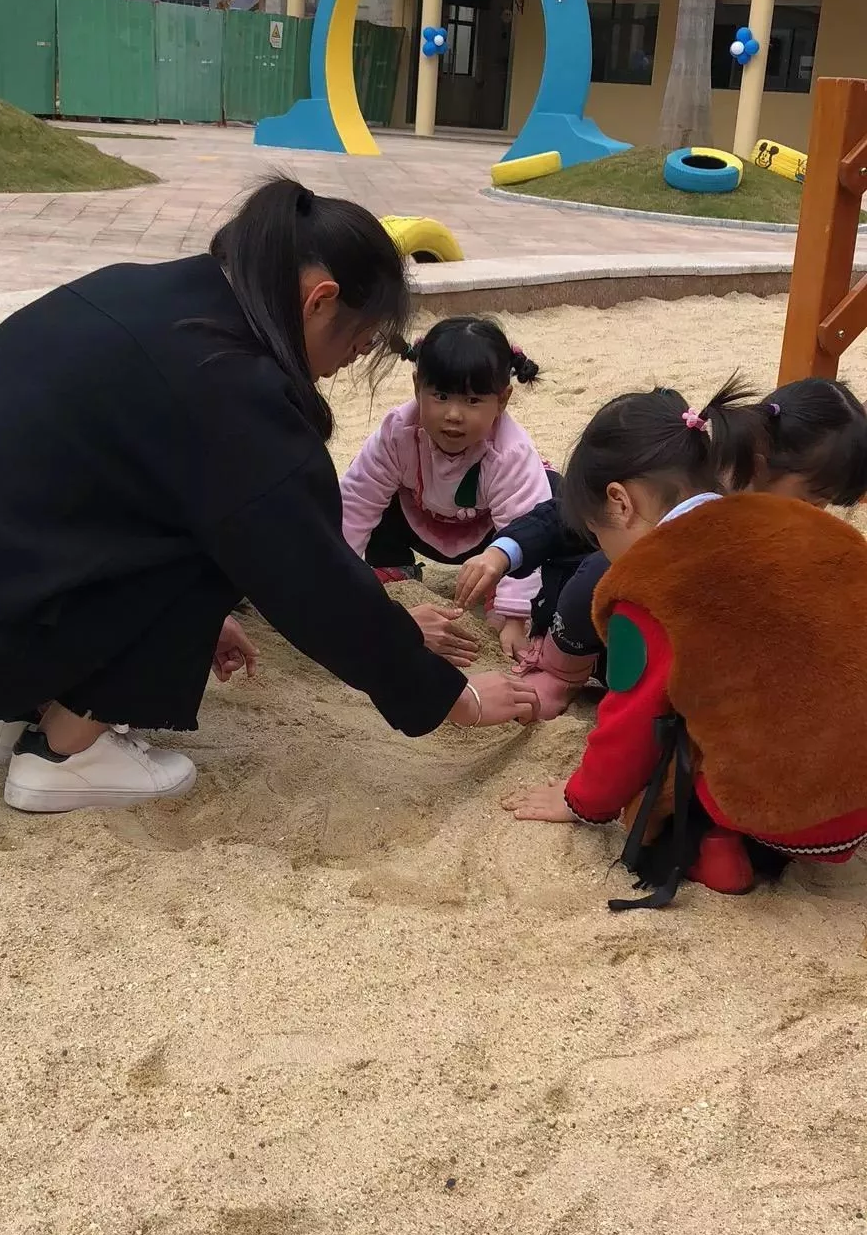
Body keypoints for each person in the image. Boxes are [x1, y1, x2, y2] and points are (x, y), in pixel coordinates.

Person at [0, 178, 528, 814]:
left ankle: (33, 710)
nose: (350, 361)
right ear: (319, 301)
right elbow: (312, 582)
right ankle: (63, 755)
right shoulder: (231, 387)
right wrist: (451, 696)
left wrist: (192, 623)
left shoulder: (150, 292)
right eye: (359, 341)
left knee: (192, 514)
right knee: (222, 535)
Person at [505, 382, 867, 906]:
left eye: (598, 536)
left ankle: (709, 845)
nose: (607, 554)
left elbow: (630, 726)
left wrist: (581, 801)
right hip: (857, 799)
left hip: (786, 811)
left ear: (619, 503)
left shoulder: (650, 588)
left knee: (668, 754)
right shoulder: (801, 522)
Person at [459, 375, 867, 723]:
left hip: (675, 636)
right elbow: (573, 515)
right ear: (760, 467)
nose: (818, 516)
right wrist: (504, 552)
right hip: (588, 609)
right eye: (813, 502)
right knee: (606, 569)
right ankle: (558, 671)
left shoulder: (775, 520)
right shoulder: (689, 476)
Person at [339, 317, 552, 662]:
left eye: (472, 401)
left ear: (502, 400)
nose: (453, 414)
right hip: (418, 521)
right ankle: (395, 566)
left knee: (549, 507)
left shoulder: (509, 453)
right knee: (373, 487)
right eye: (440, 396)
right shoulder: (398, 433)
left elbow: (524, 528)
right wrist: (339, 579)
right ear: (417, 387)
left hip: (489, 541)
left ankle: (498, 590)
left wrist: (515, 616)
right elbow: (357, 502)